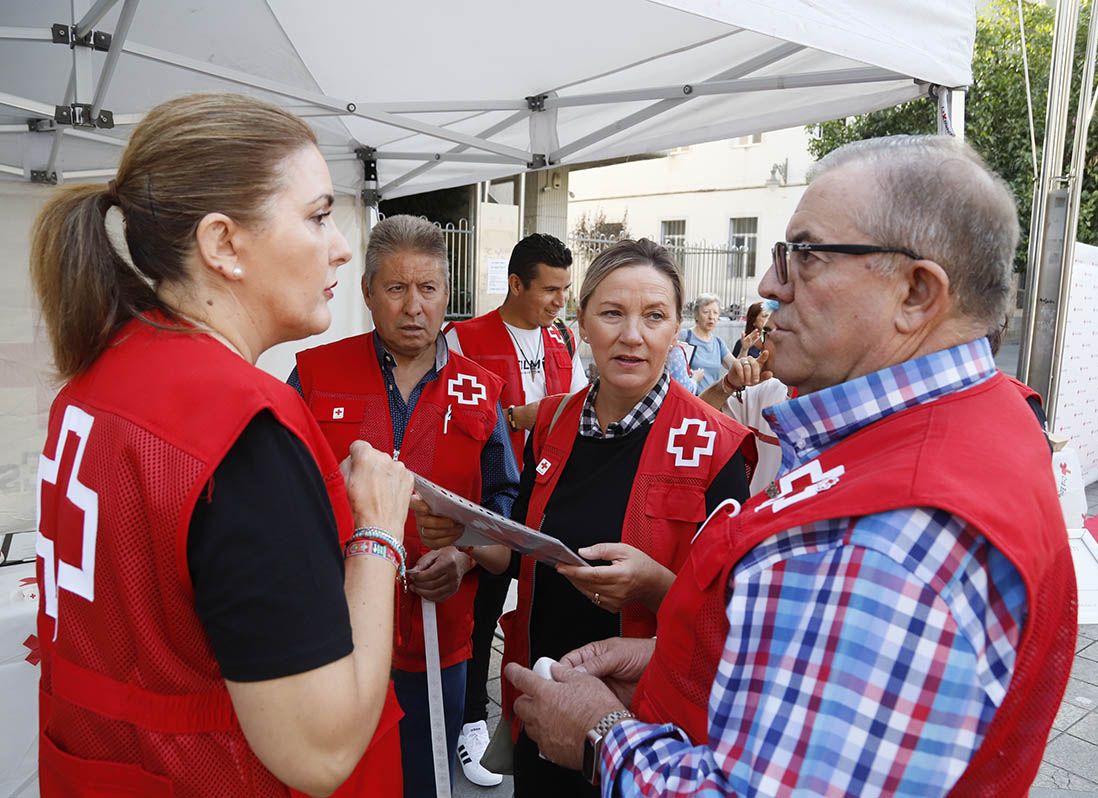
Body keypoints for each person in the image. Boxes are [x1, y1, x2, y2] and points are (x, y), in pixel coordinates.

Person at [504, 135, 1077, 796]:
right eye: (609, 314)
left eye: (804, 255)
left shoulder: (892, 533)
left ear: (918, 293)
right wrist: (685, 661)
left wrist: (601, 736)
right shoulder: (962, 430)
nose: (770, 283)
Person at [29, 93, 412, 797]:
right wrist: (379, 534)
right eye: (319, 215)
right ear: (223, 245)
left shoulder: (99, 374)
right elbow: (320, 752)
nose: (341, 245)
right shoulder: (241, 428)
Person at [430, 239, 756, 797]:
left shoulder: (716, 449)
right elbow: (520, 554)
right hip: (541, 700)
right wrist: (465, 541)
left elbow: (737, 626)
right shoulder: (554, 423)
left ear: (676, 329)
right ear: (581, 323)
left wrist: (655, 586)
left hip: (641, 733)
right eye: (612, 313)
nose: (632, 335)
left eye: (654, 316)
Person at [290, 214, 520, 798]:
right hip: (329, 631)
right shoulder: (316, 375)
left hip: (437, 639)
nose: (413, 307)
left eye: (428, 289)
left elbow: (505, 505)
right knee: (334, 777)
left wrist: (465, 559)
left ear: (449, 294)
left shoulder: (480, 389)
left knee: (423, 777)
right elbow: (280, 496)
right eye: (395, 288)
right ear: (367, 293)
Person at [443, 233, 589, 787]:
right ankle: (470, 718)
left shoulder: (562, 341)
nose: (559, 301)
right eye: (550, 289)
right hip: (493, 489)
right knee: (480, 604)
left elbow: (576, 408)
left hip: (547, 492)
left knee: (537, 603)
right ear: (515, 284)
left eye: (565, 290)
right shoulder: (464, 338)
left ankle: (536, 709)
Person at [698, 338, 791, 495]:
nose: (760, 345)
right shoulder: (763, 391)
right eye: (766, 334)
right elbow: (697, 419)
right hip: (755, 514)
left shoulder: (841, 413)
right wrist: (728, 384)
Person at [679, 293, 736, 391]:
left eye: (715, 313)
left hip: (712, 401)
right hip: (690, 400)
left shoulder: (718, 343)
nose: (711, 317)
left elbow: (735, 367)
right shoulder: (684, 337)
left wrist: (744, 348)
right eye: (706, 312)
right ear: (696, 315)